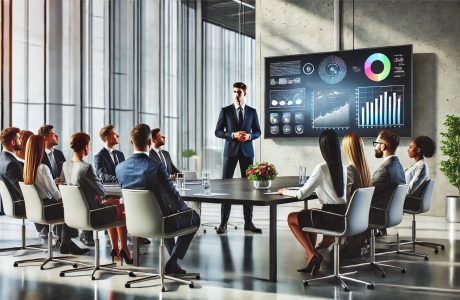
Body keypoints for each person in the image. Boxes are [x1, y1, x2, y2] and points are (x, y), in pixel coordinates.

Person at [116, 124, 200, 274]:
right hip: (160, 223)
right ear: (150, 143)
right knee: (193, 217)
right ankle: (173, 261)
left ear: (131, 142)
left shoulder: (120, 168)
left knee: (164, 215)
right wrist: (185, 211)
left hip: (134, 224)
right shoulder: (156, 166)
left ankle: (173, 263)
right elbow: (173, 197)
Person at [277, 129, 348, 273]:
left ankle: (312, 254)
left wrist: (284, 191)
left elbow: (302, 194)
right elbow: (335, 191)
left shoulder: (321, 168)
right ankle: (311, 257)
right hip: (342, 216)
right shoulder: (344, 167)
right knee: (305, 215)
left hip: (329, 216)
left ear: (323, 148)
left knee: (292, 218)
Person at [61, 132, 133, 264]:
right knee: (122, 208)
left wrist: (100, 199)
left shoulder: (65, 165)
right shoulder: (86, 168)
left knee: (112, 205)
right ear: (85, 146)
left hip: (73, 216)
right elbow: (101, 191)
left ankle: (115, 250)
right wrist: (103, 199)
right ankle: (123, 248)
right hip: (92, 215)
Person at [23, 135, 87, 255]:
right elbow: (54, 192)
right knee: (71, 208)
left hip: (36, 208)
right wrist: (65, 199)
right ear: (39, 148)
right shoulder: (43, 168)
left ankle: (64, 241)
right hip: (47, 208)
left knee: (66, 207)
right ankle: (67, 242)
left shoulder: (27, 168)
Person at [214, 82, 262, 234]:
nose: (236, 94)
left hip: (247, 152)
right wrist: (232, 135)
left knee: (248, 188)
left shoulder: (252, 112)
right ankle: (223, 223)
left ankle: (248, 223)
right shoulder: (226, 111)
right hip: (230, 152)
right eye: (234, 91)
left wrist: (249, 136)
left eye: (239, 92)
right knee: (226, 187)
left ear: (245, 93)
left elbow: (258, 132)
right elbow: (218, 131)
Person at [340, 132, 372, 258]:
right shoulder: (365, 170)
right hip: (361, 221)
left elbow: (344, 198)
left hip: (349, 221)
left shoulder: (349, 170)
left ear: (347, 148)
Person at [370, 129, 406, 229]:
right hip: (394, 213)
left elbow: (368, 191)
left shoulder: (385, 169)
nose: (374, 147)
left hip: (380, 215)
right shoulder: (398, 165)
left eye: (376, 143)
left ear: (383, 146)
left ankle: (352, 244)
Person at [404, 135, 436, 210]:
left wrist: (394, 192)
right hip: (406, 199)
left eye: (411, 147)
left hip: (410, 201)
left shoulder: (421, 167)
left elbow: (409, 191)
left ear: (418, 150)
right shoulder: (418, 165)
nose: (408, 150)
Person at [0, 127, 25, 216]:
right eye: (19, 138)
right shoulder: (11, 164)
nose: (21, 140)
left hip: (12, 205)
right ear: (13, 142)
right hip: (21, 206)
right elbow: (24, 191)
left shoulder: (3, 159)